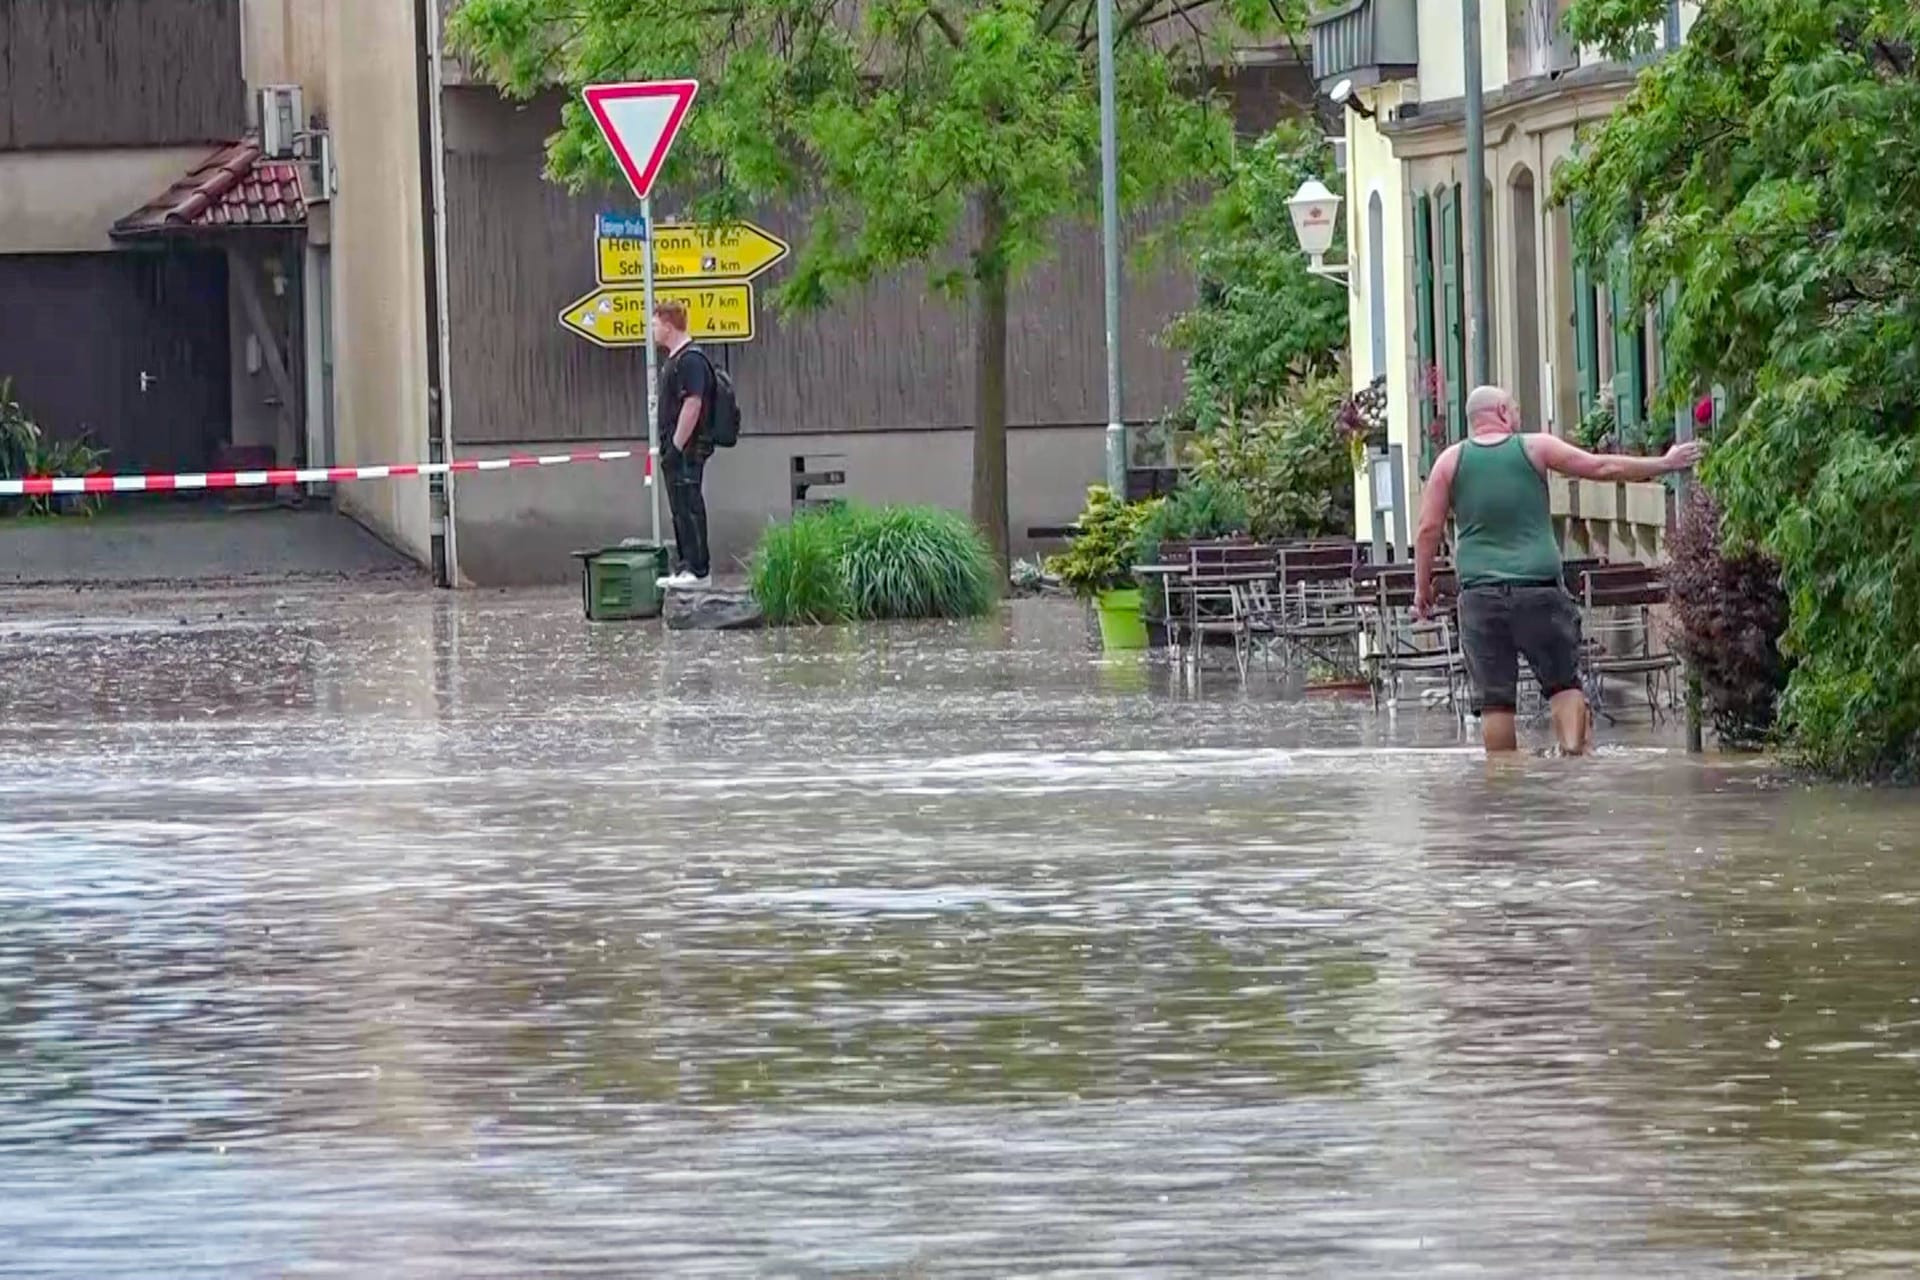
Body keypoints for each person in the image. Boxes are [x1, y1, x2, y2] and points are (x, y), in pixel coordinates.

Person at [1413, 385, 1704, 754]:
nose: (1518, 415)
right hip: (1540, 592)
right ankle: (1572, 767)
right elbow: (1602, 466)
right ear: (1502, 411)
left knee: (1496, 703)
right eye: (1515, 408)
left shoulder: (1449, 462)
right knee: (1563, 686)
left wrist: (1422, 589)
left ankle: (1503, 787)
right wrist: (1665, 462)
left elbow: (1427, 530)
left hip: (1480, 597)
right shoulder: (1535, 448)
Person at [652, 300, 714, 588]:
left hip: (687, 448)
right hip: (675, 446)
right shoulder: (674, 360)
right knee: (678, 505)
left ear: (668, 325)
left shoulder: (690, 360)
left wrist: (676, 446)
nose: (651, 331)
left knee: (689, 503)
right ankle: (686, 566)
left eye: (654, 324)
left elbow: (693, 404)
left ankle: (699, 570)